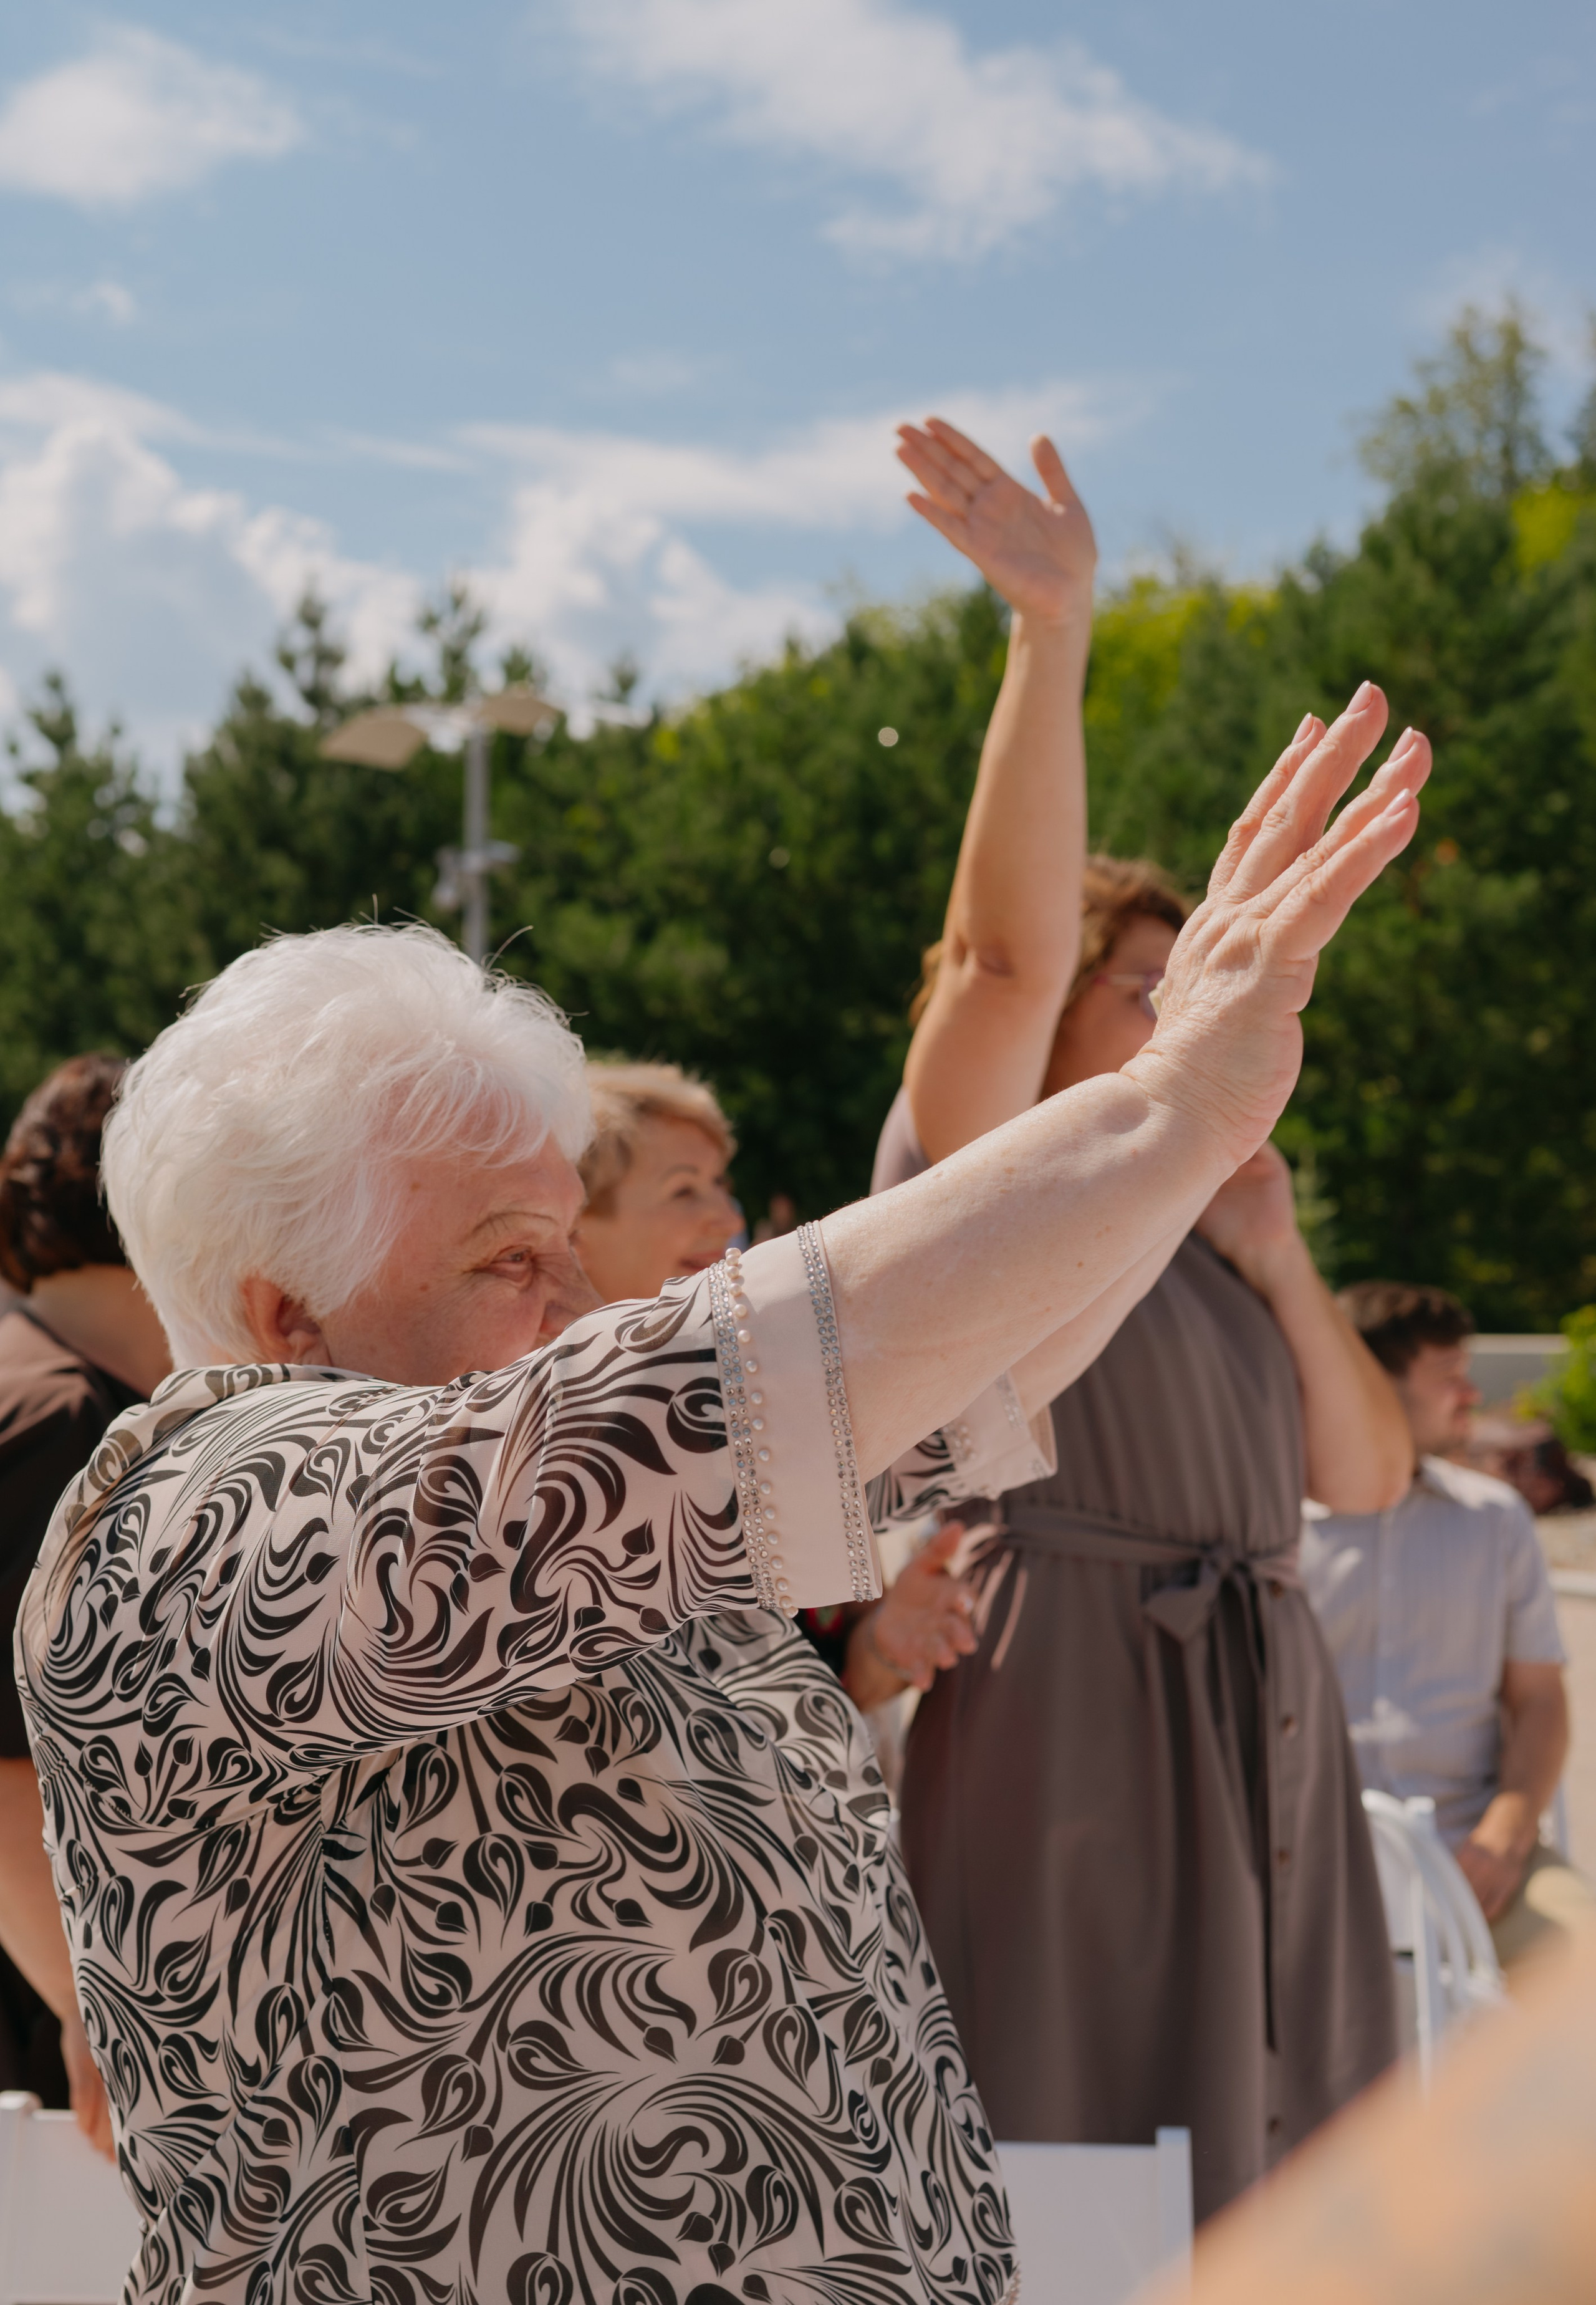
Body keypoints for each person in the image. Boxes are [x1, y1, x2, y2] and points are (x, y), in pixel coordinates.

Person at [16, 701, 1425, 2302]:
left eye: (570, 1243)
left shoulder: (564, 1514)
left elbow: (963, 1379)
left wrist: (1191, 1128)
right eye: (510, 1260)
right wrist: (1165, 1103)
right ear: (285, 1319)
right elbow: (715, 1389)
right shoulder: (199, 1506)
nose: (579, 1304)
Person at [875, 417, 1415, 2220]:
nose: (1189, 1012)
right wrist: (1052, 635)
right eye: (1147, 986)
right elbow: (998, 961)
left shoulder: (1210, 1235)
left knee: (1286, 2165)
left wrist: (1277, 1256)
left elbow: (1366, 1480)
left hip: (1260, 1705)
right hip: (1080, 1708)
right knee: (1080, 2168)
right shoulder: (977, 1185)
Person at [575, 1058, 981, 1711]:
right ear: (572, 1227)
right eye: (683, 1190)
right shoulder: (546, 1456)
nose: (723, 1217)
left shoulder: (763, 1406)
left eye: (719, 1184)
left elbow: (831, 1685)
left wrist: (885, 1641)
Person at [1302, 1281, 1595, 1973]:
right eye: (1449, 1377)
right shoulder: (1275, 1531)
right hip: (1310, 1876)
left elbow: (1540, 1701)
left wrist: (1506, 1837)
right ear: (1372, 1385)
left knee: (1582, 1974)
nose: (1472, 1394)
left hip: (1475, 1858)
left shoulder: (1495, 1519)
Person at [0, 1055, 169, 2160]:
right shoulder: (65, 1424)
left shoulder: (27, 1376)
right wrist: (98, 2008)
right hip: (41, 2045)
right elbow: (5, 1760)